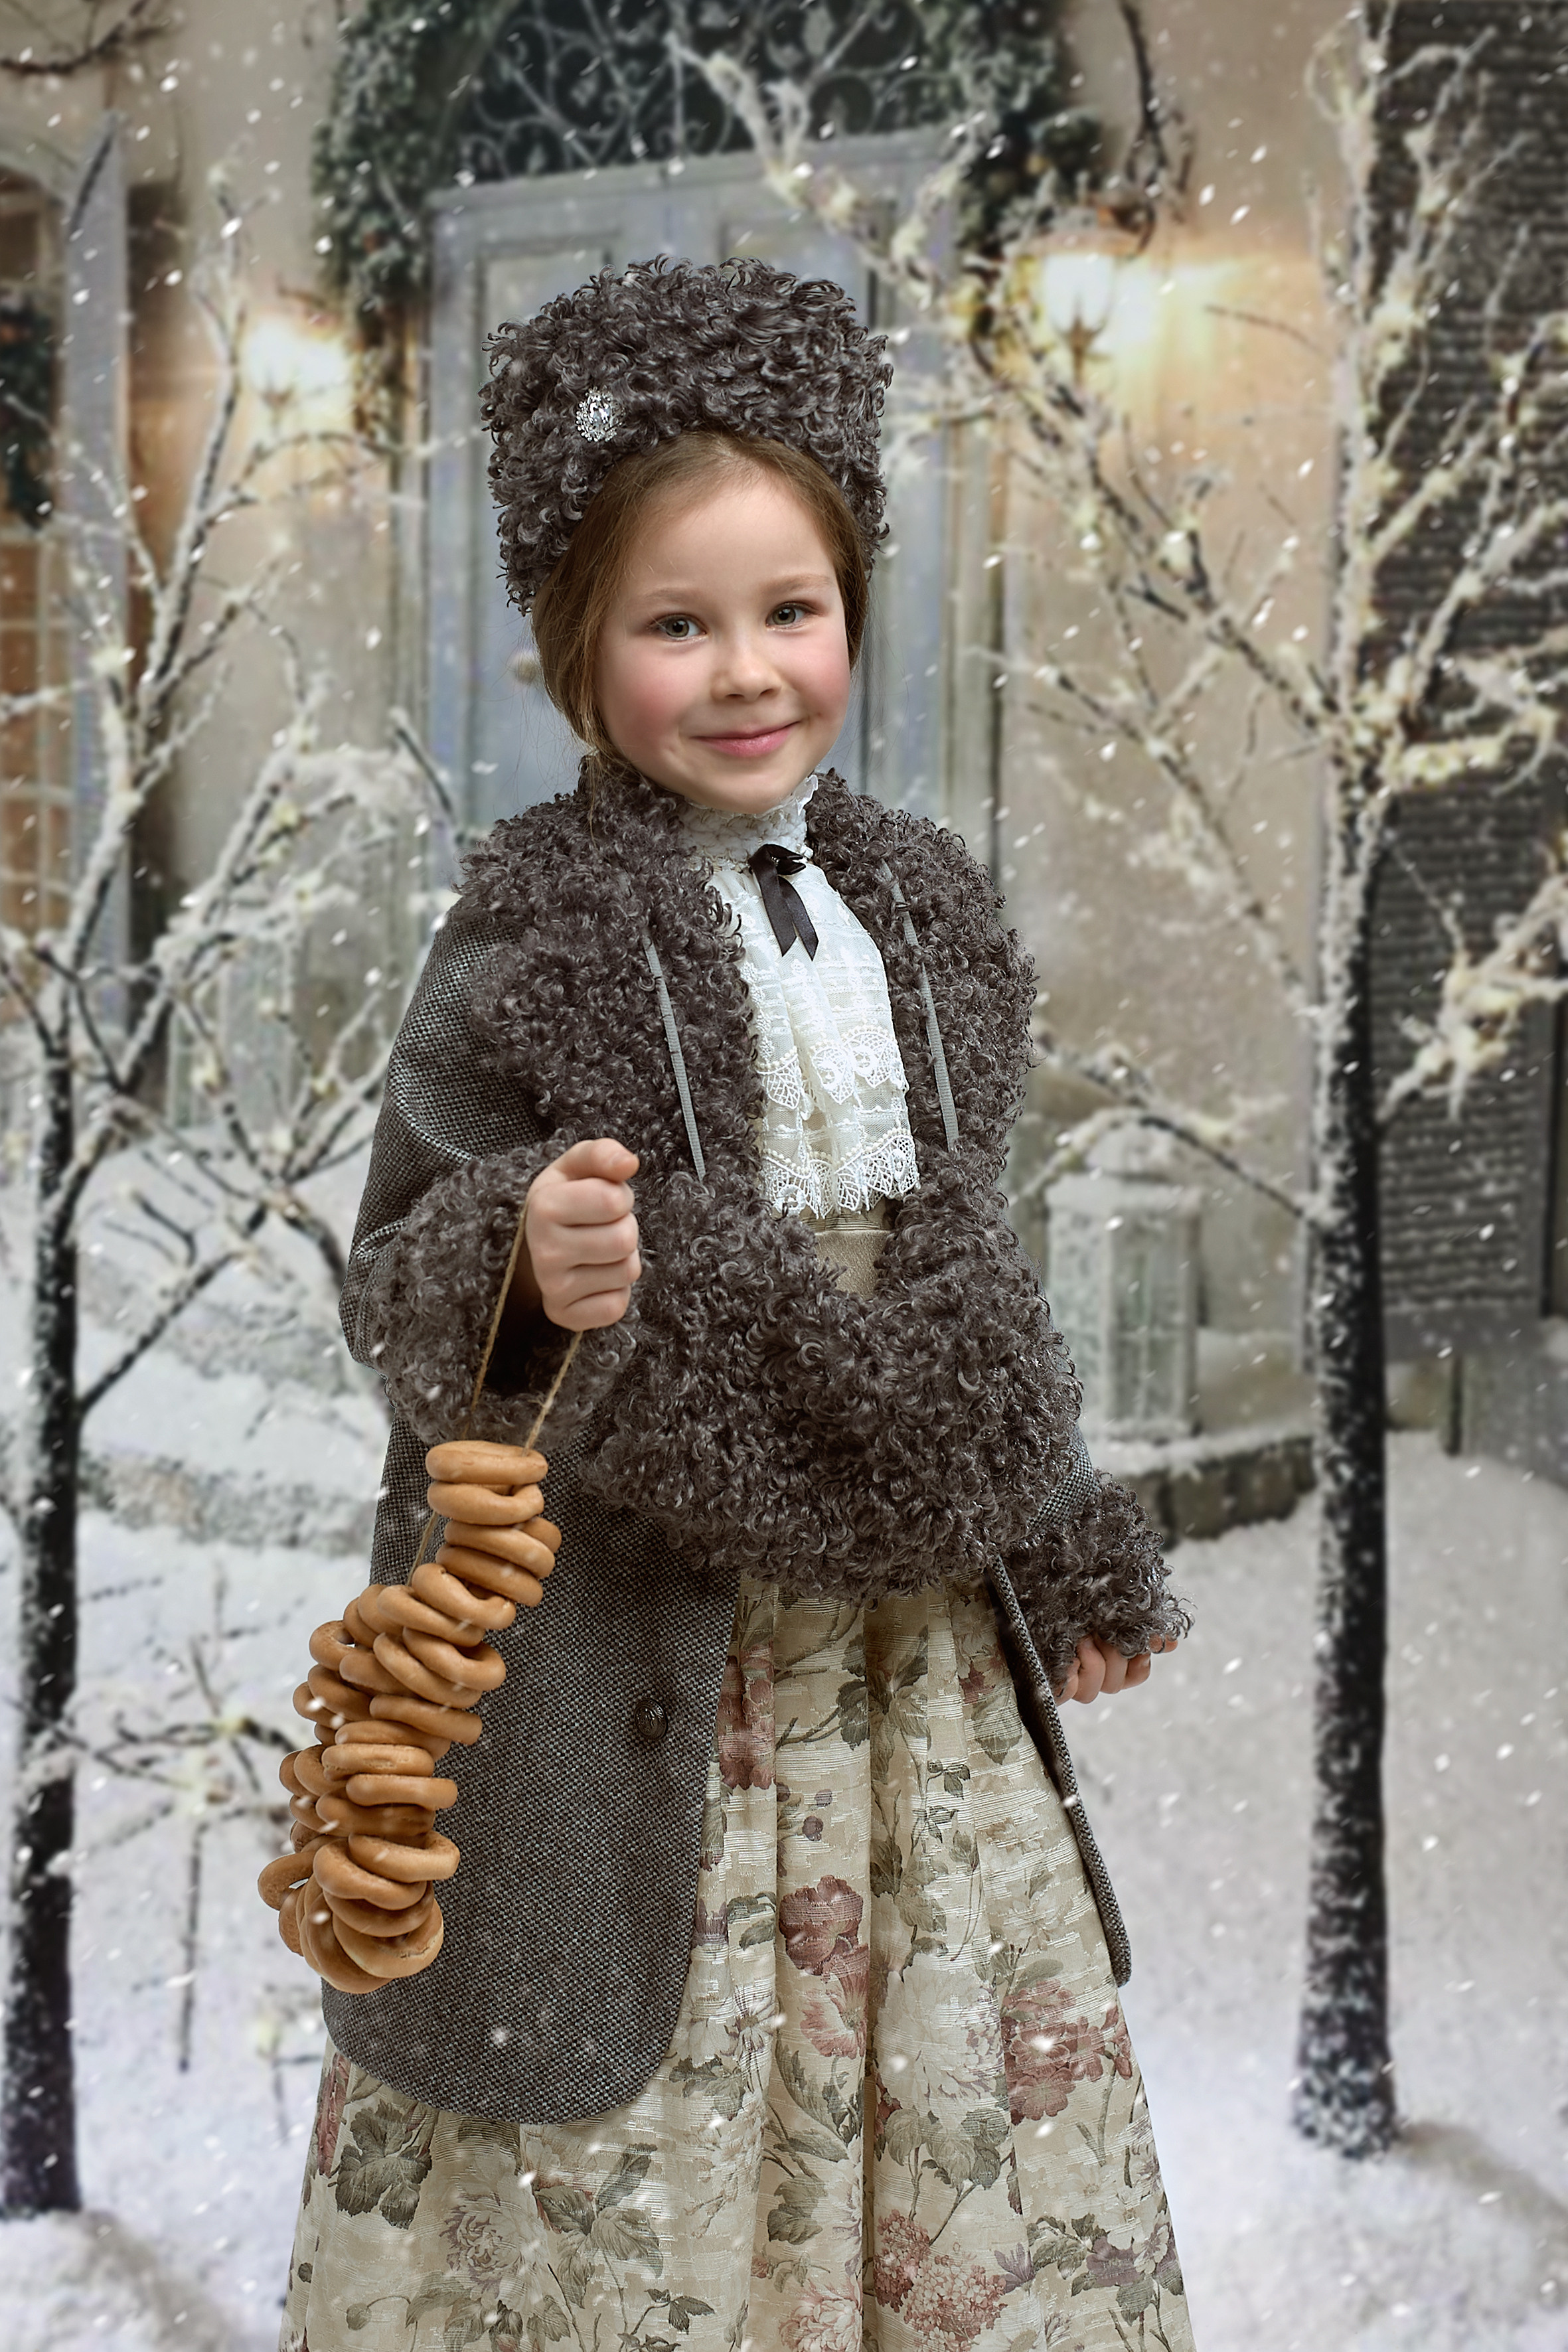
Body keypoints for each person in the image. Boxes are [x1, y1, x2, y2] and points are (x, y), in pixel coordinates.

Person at [281, 256, 1195, 2352]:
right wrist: (525, 1259)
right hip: (638, 1653)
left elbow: (962, 1273)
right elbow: (399, 1290)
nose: (746, 672)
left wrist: (1055, 1529)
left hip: (906, 1664)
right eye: (673, 625)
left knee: (930, 2079)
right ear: (573, 648)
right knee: (645, 2127)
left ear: (852, 609)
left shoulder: (922, 917)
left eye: (790, 610)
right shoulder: (527, 938)